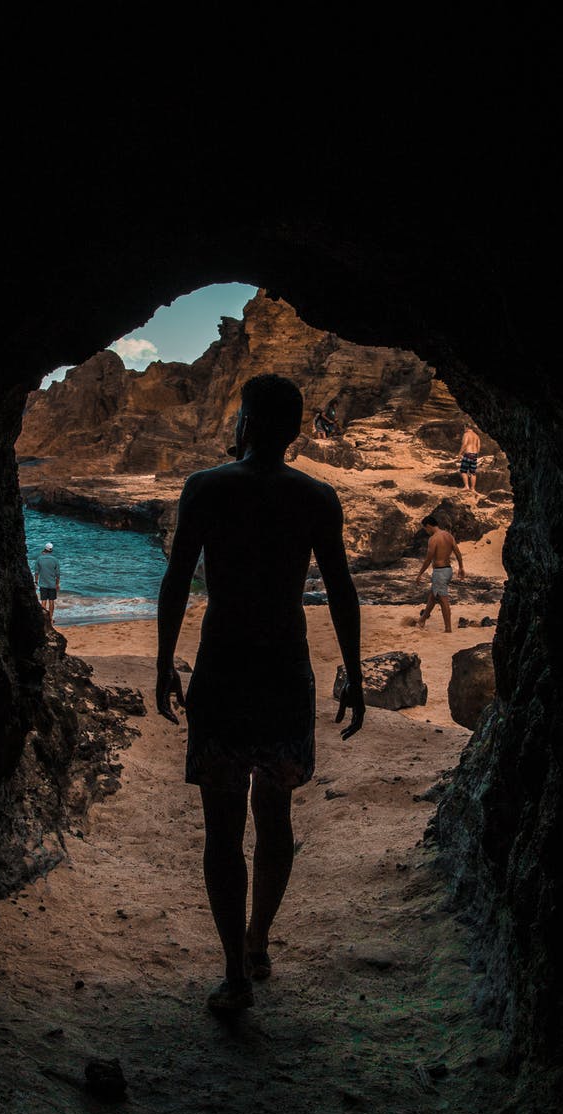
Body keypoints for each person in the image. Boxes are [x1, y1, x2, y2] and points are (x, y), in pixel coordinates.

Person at [156, 373, 365, 1014]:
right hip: (283, 673)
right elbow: (340, 589)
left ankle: (233, 975)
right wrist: (354, 674)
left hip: (222, 673)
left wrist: (165, 661)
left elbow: (175, 579)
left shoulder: (206, 488)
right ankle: (259, 941)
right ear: (297, 429)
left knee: (222, 831)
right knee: (275, 816)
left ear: (244, 423)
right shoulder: (315, 498)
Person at [415, 515, 464, 633]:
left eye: (426, 529)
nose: (426, 531)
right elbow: (457, 552)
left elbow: (428, 559)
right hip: (448, 570)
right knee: (433, 595)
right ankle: (422, 619)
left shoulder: (433, 539)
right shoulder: (448, 535)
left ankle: (448, 629)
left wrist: (420, 573)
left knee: (443, 599)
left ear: (429, 526)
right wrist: (461, 567)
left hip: (440, 572)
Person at [34, 541, 60, 626]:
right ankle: (51, 618)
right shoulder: (55, 560)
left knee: (43, 601)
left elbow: (36, 572)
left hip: (43, 584)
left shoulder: (39, 559)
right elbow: (58, 574)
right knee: (51, 601)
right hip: (52, 584)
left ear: (45, 549)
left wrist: (36, 581)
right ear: (51, 550)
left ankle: (44, 619)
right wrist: (57, 584)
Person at [459, 424, 481, 492]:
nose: (464, 429)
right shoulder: (476, 436)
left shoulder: (466, 434)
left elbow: (465, 444)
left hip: (468, 454)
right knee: (473, 472)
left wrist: (459, 453)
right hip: (474, 455)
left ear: (466, 427)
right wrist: (475, 453)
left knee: (463, 471)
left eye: (464, 428)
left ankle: (466, 486)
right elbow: (479, 447)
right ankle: (473, 488)